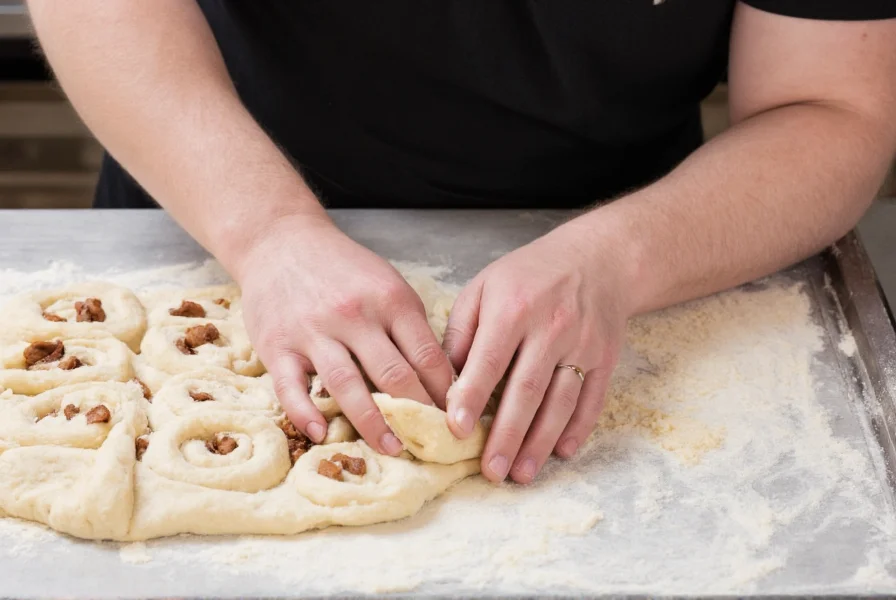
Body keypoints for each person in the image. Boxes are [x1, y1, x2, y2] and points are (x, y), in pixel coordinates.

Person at [27, 1, 896, 485]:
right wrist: (267, 232)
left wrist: (614, 256)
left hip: (640, 236)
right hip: (211, 200)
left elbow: (832, 108)